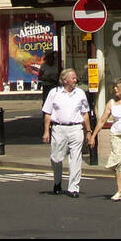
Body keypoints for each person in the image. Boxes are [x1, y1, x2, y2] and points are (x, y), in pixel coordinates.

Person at [41, 68, 92, 197]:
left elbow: (85, 113)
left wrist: (89, 131)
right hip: (58, 128)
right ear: (65, 80)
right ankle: (57, 181)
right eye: (73, 78)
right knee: (56, 158)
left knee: (75, 158)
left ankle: (73, 188)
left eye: (76, 78)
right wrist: (46, 131)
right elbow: (47, 113)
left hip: (76, 128)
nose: (76, 80)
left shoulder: (80, 93)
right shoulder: (54, 93)